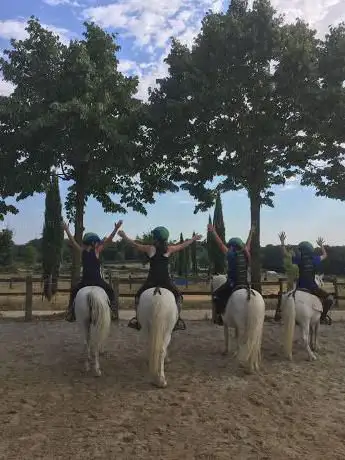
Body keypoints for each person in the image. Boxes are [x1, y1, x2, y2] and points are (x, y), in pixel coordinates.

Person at [117, 226, 202, 331]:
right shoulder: (169, 249)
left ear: (155, 238)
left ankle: (137, 320)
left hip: (151, 280)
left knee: (138, 297)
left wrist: (124, 236)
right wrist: (194, 239)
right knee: (179, 297)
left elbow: (134, 244)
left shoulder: (150, 249)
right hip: (165, 281)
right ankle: (177, 320)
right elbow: (182, 246)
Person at [64, 220, 123, 322]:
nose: (98, 243)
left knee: (74, 291)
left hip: (85, 282)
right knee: (110, 291)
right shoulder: (97, 251)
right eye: (96, 242)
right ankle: (113, 310)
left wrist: (67, 230)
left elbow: (73, 242)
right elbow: (109, 240)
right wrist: (116, 228)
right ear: (92, 243)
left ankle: (70, 311)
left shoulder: (82, 251)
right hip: (97, 281)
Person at [278, 232, 333, 324]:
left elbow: (285, 254)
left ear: (302, 251)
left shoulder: (299, 259)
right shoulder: (314, 259)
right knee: (330, 298)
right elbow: (325, 255)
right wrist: (321, 245)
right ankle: (322, 318)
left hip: (300, 287)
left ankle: (280, 313)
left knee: (285, 297)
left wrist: (282, 242)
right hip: (312, 287)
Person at [209, 223, 255, 325]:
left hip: (232, 284)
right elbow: (248, 244)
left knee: (216, 295)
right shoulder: (246, 253)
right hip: (245, 284)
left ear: (232, 246)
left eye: (230, 246)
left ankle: (219, 317)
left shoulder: (231, 254)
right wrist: (251, 232)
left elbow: (220, 244)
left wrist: (213, 232)